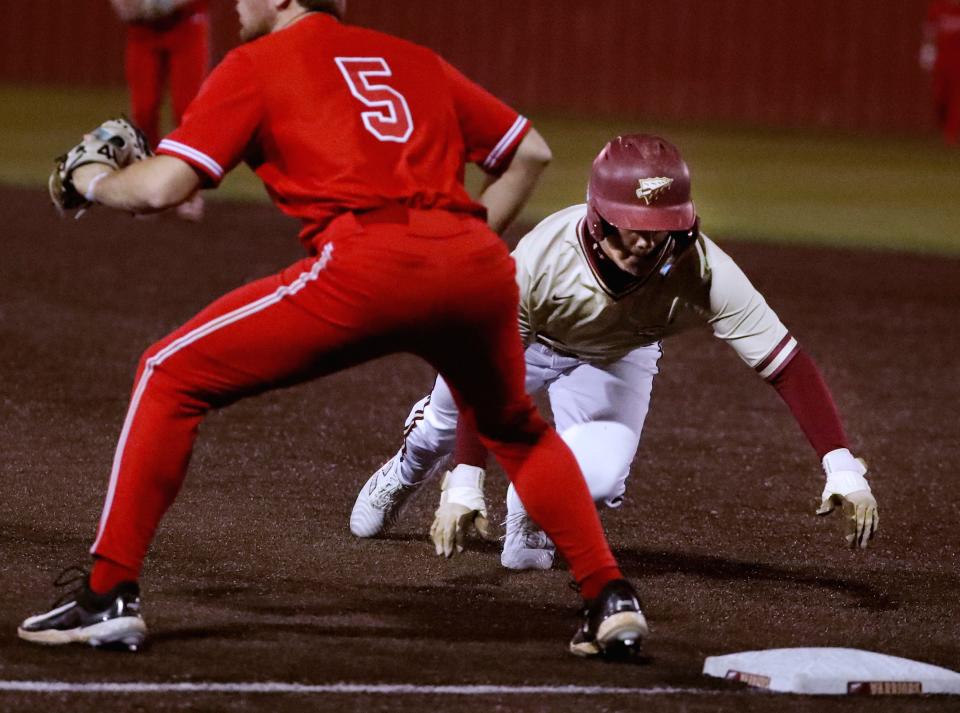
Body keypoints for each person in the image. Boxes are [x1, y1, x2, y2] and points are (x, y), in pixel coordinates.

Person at [19, 0, 647, 659]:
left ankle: (108, 591)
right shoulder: (412, 58)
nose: (237, 2)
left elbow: (159, 190)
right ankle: (610, 597)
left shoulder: (255, 65)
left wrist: (90, 180)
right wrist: (453, 249)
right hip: (475, 264)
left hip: (365, 263)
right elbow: (530, 151)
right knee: (515, 428)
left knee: (167, 373)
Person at [349, 134, 880, 572]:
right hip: (525, 345)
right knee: (437, 430)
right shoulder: (539, 262)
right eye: (637, 226)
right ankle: (409, 467)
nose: (650, 242)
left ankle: (529, 506)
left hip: (616, 355)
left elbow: (786, 364)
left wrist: (841, 467)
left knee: (599, 480)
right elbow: (484, 375)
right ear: (600, 216)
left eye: (664, 227)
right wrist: (466, 478)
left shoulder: (703, 269)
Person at [109, 0, 210, 219]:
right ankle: (149, 187)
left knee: (186, 111)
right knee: (144, 110)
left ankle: (189, 190)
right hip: (143, 31)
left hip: (186, 26)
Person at [921, 0, 960, 145]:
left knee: (957, 99)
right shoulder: (938, 7)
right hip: (942, 60)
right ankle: (945, 127)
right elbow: (929, 30)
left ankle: (951, 135)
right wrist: (927, 51)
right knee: (939, 96)